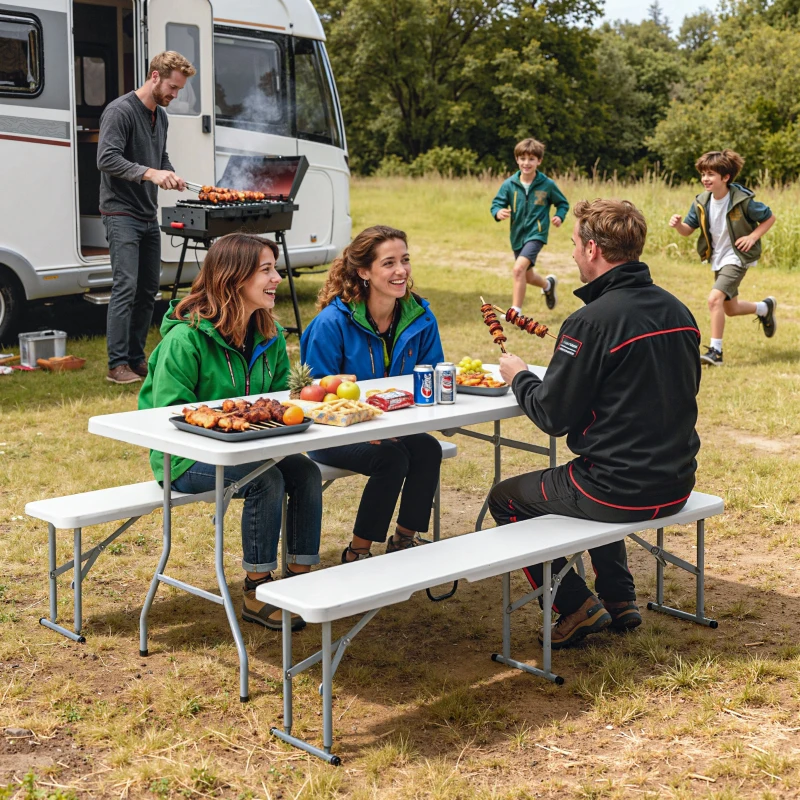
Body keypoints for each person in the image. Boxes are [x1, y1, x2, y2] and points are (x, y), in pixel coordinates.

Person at [490, 199, 701, 649]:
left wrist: (519, 376)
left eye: (572, 245)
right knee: (592, 470)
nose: (570, 255)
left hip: (618, 489)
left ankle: (575, 606)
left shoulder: (589, 321)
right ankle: (620, 600)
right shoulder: (678, 310)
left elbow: (551, 414)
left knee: (505, 498)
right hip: (676, 480)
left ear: (591, 249)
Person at [138, 233, 322, 632]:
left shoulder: (268, 334)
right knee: (267, 479)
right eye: (266, 270)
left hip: (248, 448)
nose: (277, 278)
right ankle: (257, 590)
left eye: (276, 268)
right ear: (233, 278)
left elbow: (274, 402)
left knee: (307, 472)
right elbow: (166, 419)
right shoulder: (184, 340)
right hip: (183, 458)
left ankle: (304, 578)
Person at [300, 225, 445, 562]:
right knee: (391, 458)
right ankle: (358, 551)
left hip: (393, 427)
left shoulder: (420, 317)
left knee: (427, 448)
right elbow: (311, 394)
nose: (401, 271)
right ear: (364, 271)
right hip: (334, 433)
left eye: (405, 260)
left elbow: (432, 376)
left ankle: (404, 539)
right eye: (389, 263)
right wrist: (362, 423)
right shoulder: (331, 323)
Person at [98, 51, 195, 385]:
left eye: (179, 89)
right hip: (120, 211)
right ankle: (116, 365)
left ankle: (136, 359)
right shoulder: (120, 111)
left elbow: (161, 156)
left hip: (145, 212)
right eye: (172, 87)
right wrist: (150, 174)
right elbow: (107, 158)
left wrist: (168, 173)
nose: (174, 95)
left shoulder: (161, 117)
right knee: (126, 285)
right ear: (155, 76)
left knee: (148, 289)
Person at [669, 149, 777, 366]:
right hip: (718, 258)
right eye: (703, 174)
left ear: (725, 177)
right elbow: (688, 230)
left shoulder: (742, 200)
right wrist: (678, 225)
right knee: (730, 308)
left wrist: (753, 236)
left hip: (737, 257)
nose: (705, 179)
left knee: (714, 299)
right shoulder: (701, 201)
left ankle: (716, 352)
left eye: (711, 174)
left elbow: (769, 217)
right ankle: (764, 308)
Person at [490, 137, 569, 315]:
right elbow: (496, 204)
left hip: (537, 234)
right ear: (517, 159)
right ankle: (548, 285)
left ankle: (515, 311)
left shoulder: (547, 185)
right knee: (527, 276)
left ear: (539, 161)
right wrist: (498, 212)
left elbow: (562, 204)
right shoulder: (509, 184)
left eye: (531, 159)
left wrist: (559, 216)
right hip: (517, 236)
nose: (527, 163)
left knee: (518, 269)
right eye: (523, 158)